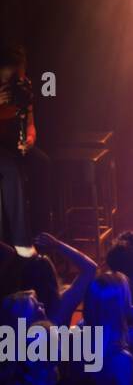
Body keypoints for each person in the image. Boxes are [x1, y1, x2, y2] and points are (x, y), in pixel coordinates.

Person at [0, 44, 52, 249]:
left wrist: (29, 139)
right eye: (10, 77)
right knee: (11, 171)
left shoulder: (23, 86)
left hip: (12, 143)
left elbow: (30, 121)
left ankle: (42, 235)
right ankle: (20, 243)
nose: (15, 80)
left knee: (42, 163)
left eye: (19, 75)